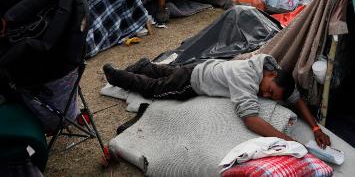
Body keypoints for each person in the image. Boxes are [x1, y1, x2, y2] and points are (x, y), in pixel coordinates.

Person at [103, 54, 332, 148]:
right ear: (270, 76)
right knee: (155, 89)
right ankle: (117, 76)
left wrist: (314, 127)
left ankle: (145, 66)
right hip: (192, 82)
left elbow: (295, 98)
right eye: (269, 92)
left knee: (167, 72)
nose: (265, 96)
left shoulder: (269, 66)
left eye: (271, 97)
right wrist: (287, 139)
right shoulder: (246, 79)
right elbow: (251, 120)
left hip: (201, 66)